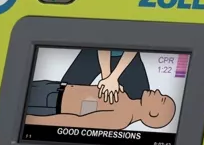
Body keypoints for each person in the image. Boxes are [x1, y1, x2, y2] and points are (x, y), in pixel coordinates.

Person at [24, 80, 175, 131]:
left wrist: (31, 121)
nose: (158, 92)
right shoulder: (123, 96)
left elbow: (77, 122)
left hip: (47, 103)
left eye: (161, 99)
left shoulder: (121, 118)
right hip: (52, 90)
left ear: (153, 114)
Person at [60, 49, 150, 103]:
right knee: (65, 91)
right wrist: (107, 78)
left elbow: (133, 43)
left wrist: (113, 78)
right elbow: (102, 38)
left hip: (128, 55)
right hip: (95, 51)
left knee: (141, 97)